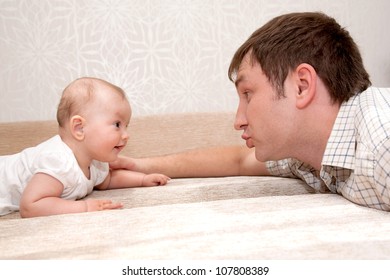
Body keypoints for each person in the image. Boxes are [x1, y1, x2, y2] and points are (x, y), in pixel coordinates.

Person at [112, 12, 390, 211]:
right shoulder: (306, 151)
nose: (238, 120)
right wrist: (140, 165)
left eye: (248, 94)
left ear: (302, 86)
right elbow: (237, 161)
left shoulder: (381, 145)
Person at [0, 77, 170, 218]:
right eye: (117, 124)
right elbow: (31, 206)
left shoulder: (95, 161)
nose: (126, 135)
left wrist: (142, 180)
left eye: (127, 126)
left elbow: (108, 181)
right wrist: (84, 207)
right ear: (79, 128)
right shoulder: (58, 161)